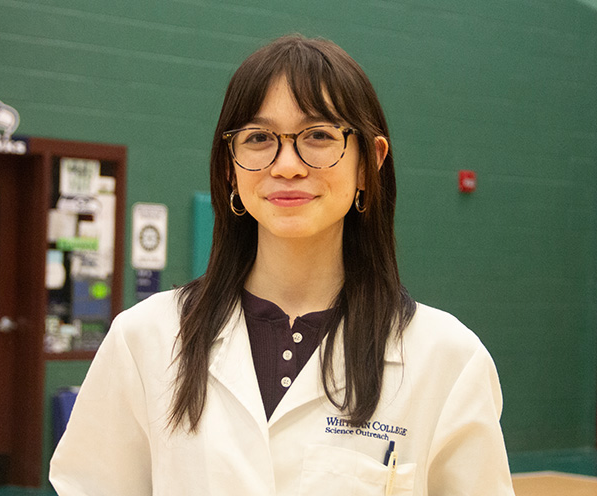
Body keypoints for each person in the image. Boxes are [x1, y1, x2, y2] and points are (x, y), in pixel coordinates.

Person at [50, 34, 515, 495]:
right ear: (229, 166)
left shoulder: (447, 359)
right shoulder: (145, 339)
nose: (287, 165)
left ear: (368, 163)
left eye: (318, 135)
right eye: (258, 137)